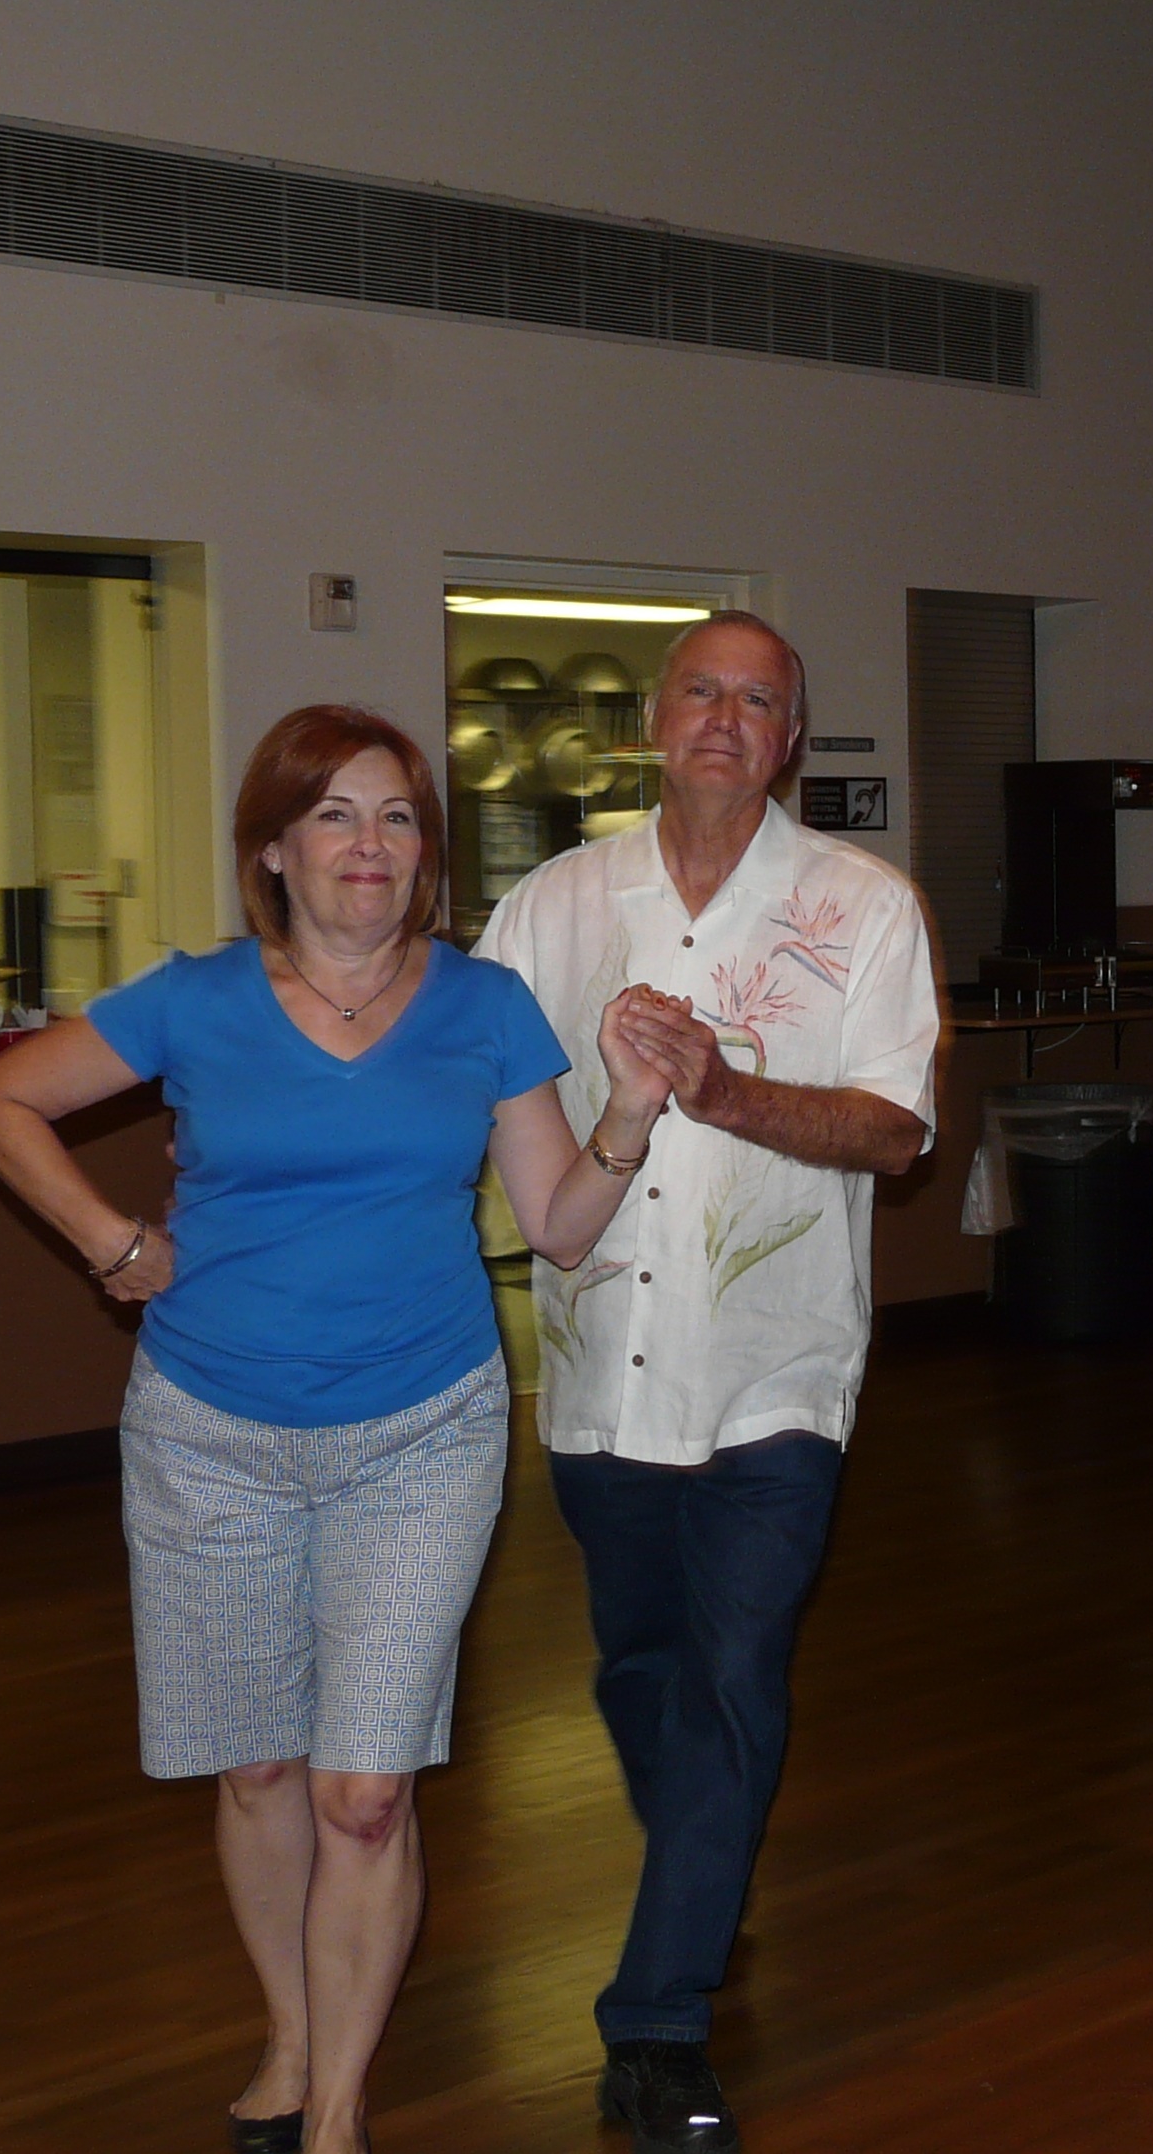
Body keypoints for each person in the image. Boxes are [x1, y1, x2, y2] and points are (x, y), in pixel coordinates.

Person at [0, 705, 680, 2154]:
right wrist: (109, 1240)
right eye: (337, 816)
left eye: (400, 818)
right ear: (276, 848)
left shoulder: (481, 1007)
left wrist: (629, 1119)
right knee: (259, 1767)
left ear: (428, 854)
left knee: (364, 1790)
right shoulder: (198, 999)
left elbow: (558, 1228)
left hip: (419, 1431)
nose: (371, 846)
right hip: (206, 1435)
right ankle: (289, 2033)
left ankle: (338, 2113)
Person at [474, 611, 936, 2154]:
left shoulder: (858, 904)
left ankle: (659, 2023)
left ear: (790, 739)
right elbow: (471, 1076)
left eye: (761, 702)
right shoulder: (554, 903)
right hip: (602, 1366)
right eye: (703, 694)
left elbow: (895, 1134)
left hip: (775, 1375)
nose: (728, 721)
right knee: (638, 1667)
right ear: (655, 721)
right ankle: (703, 1860)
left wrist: (723, 1091)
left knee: (734, 1685)